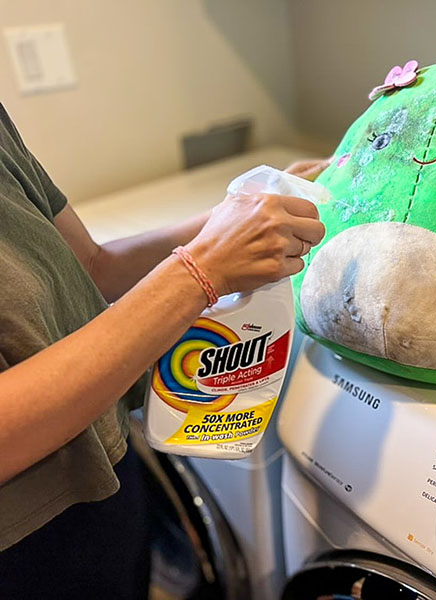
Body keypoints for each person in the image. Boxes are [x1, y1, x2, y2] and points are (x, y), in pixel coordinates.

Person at [0, 102, 329, 598]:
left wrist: (233, 220)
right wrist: (201, 270)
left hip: (101, 470)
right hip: (23, 539)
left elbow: (89, 265)